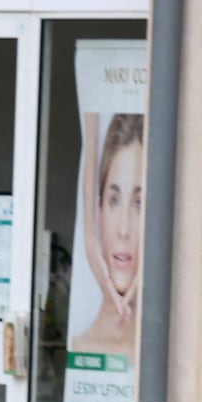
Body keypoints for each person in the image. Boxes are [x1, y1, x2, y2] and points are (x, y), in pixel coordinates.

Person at [68, 112, 144, 355]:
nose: (123, 230)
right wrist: (89, 237)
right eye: (113, 200)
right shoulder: (80, 349)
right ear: (98, 210)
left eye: (139, 203)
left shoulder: (160, 358)